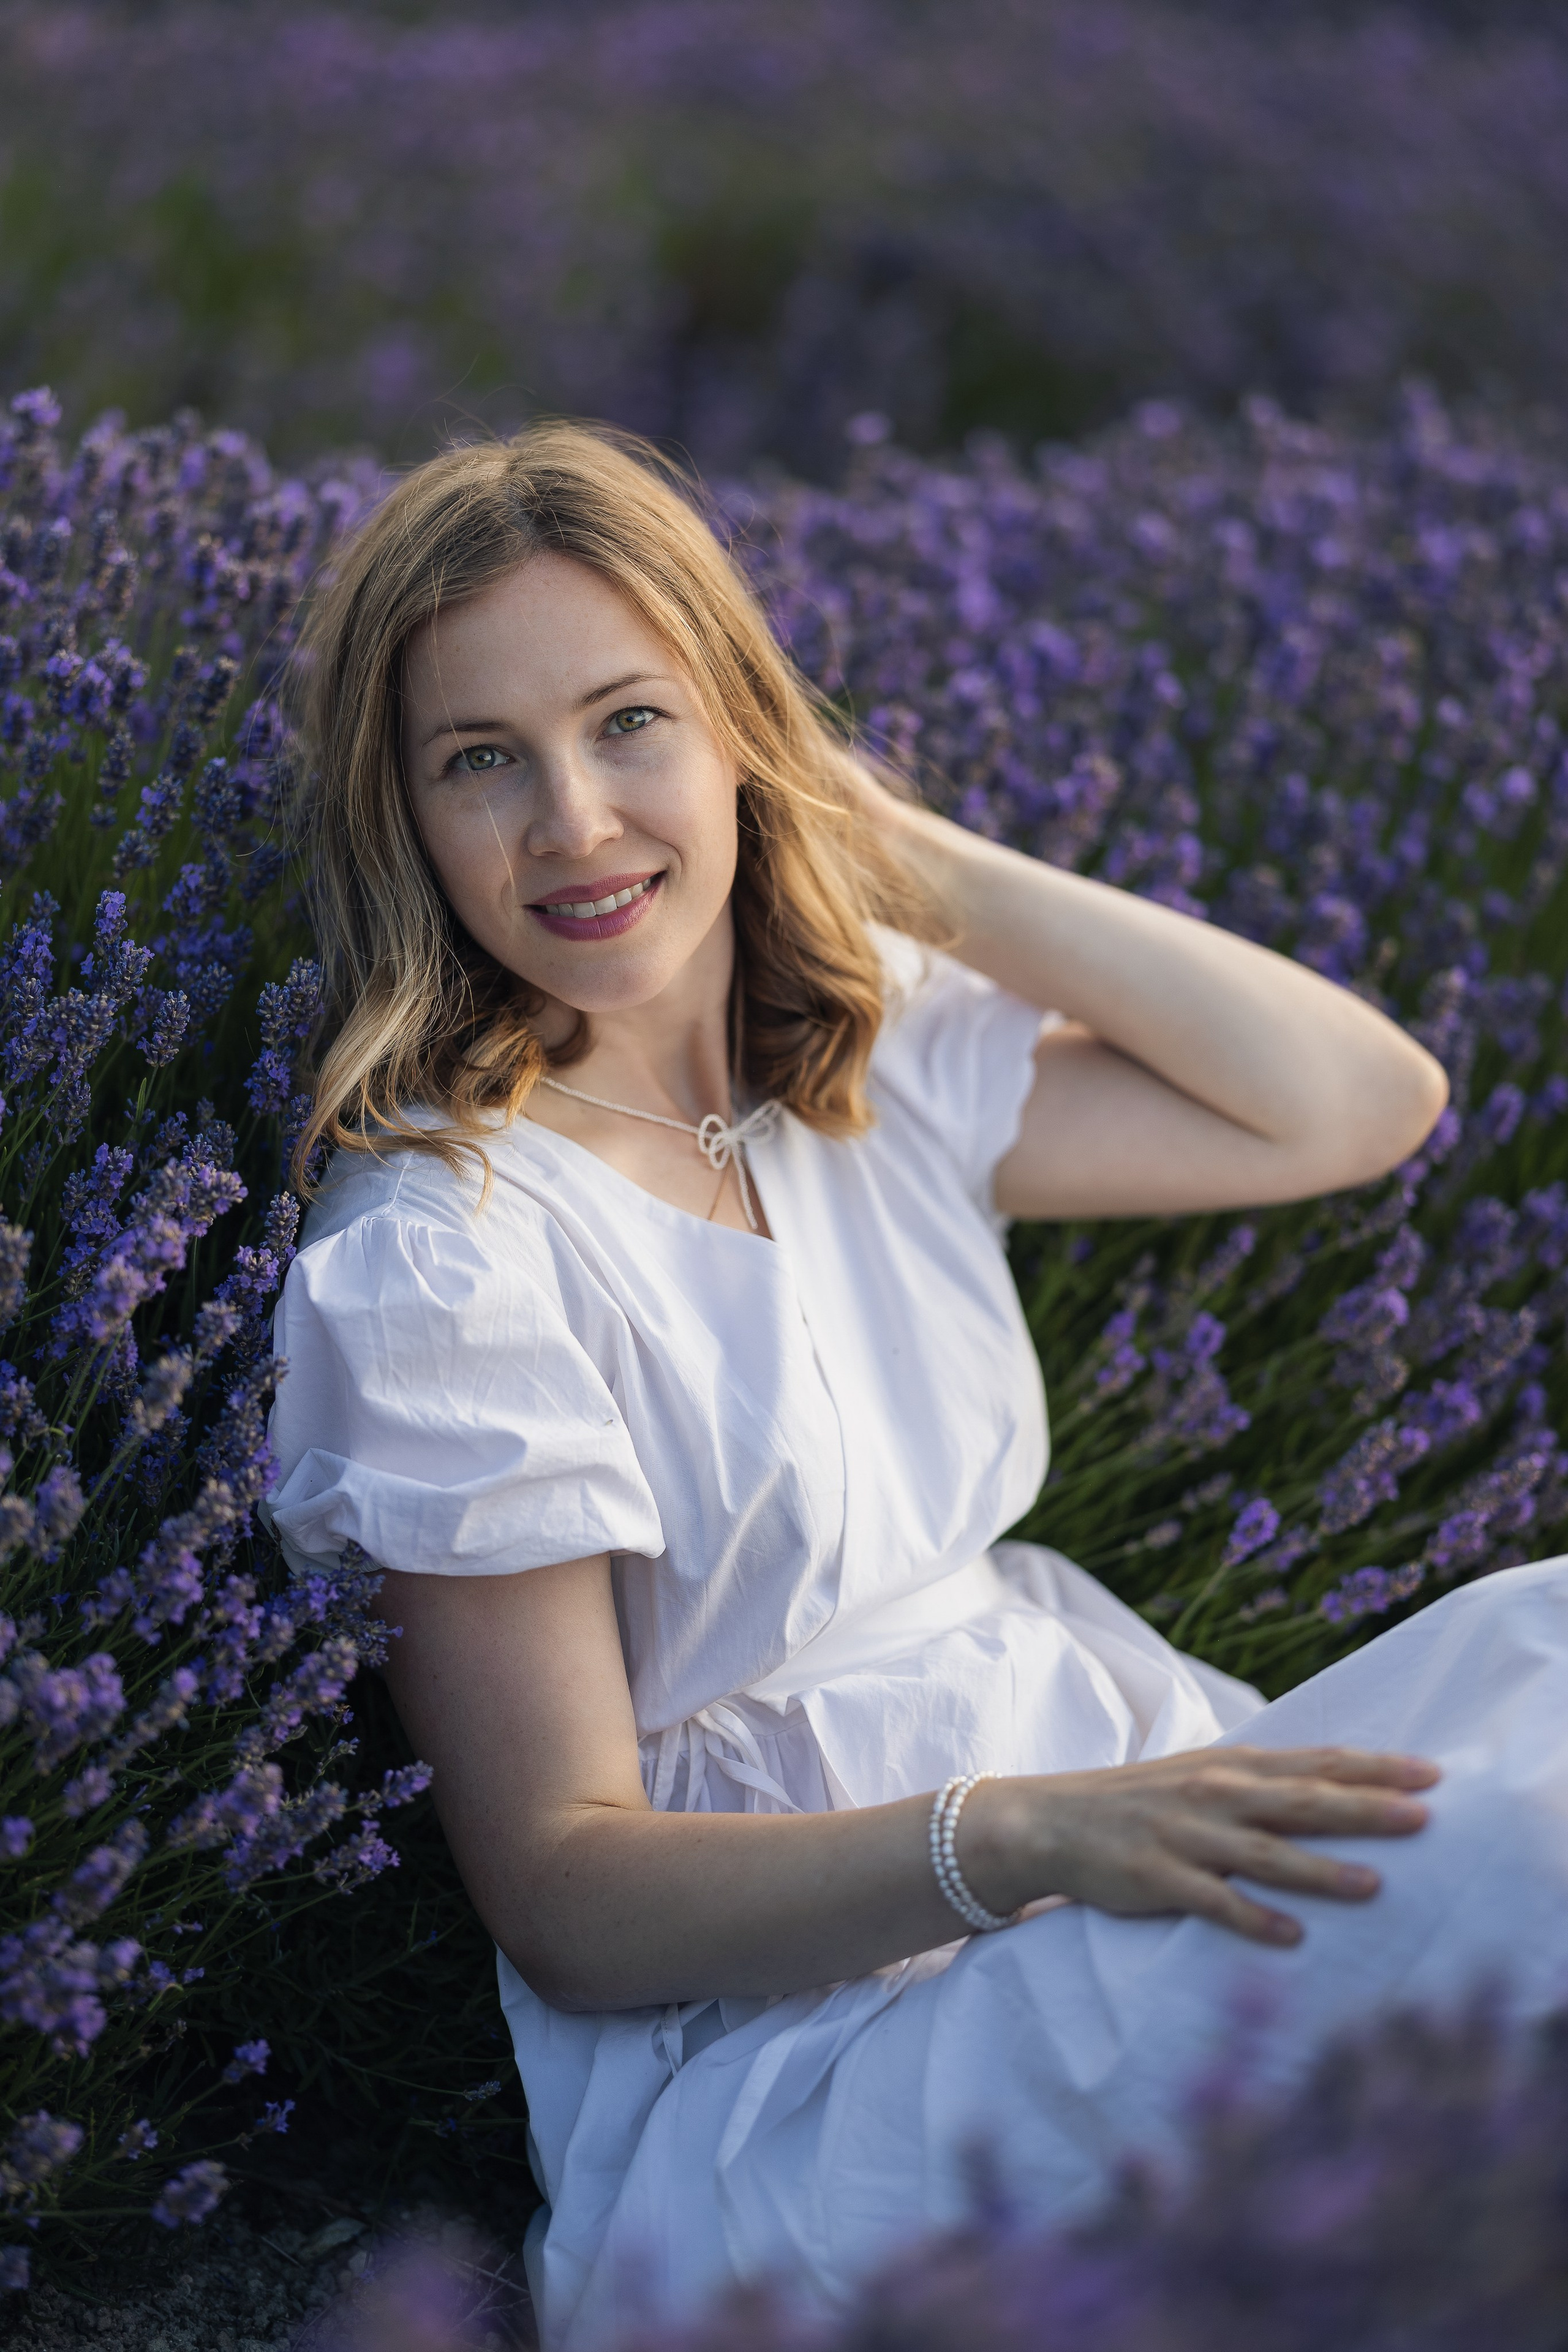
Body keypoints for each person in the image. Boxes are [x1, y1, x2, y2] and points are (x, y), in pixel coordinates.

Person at [264, 422, 1568, 2348]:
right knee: (1528, 1887)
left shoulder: (857, 1074)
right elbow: (567, 1887)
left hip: (1131, 1809)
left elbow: (1361, 1102)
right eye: (483, 762)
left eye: (634, 722)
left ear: (741, 729)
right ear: (408, 820)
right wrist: (1027, 1834)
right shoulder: (444, 1250)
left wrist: (912, 864)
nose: (573, 823)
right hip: (818, 2067)